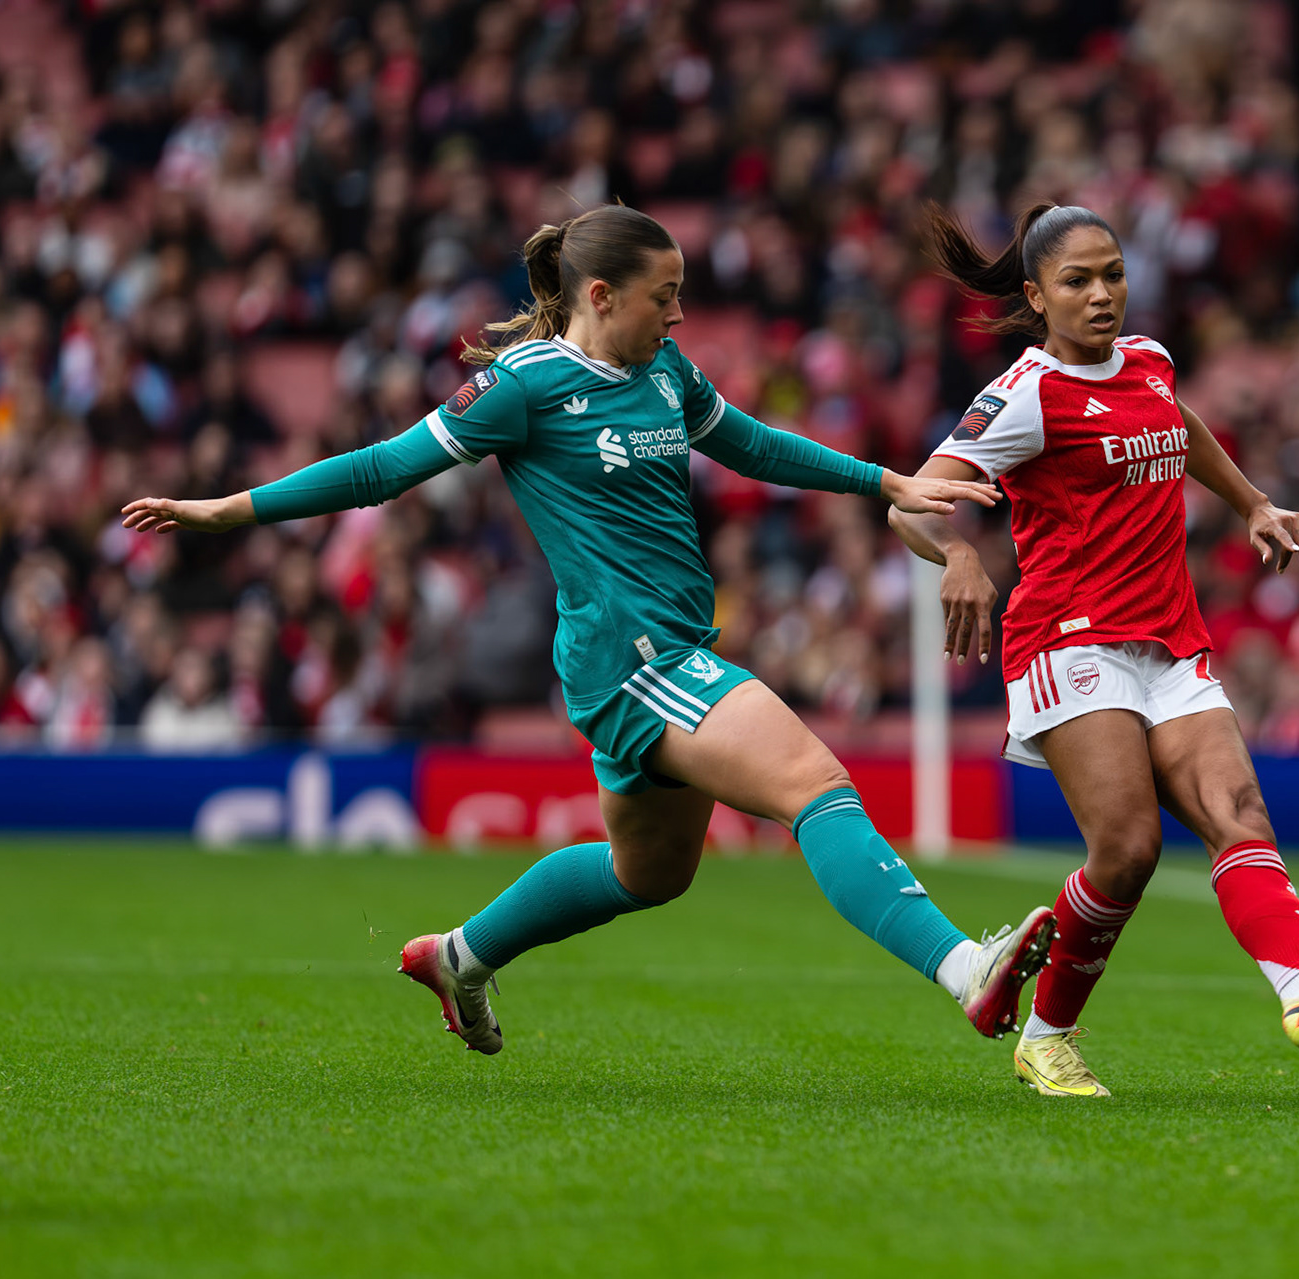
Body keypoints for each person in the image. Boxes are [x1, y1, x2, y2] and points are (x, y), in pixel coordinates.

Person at [122, 203, 1056, 1055]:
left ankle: (459, 955)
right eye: (666, 296)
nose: (679, 316)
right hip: (630, 659)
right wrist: (228, 513)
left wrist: (883, 482)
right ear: (602, 295)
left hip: (670, 649)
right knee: (814, 783)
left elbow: (753, 445)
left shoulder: (663, 371)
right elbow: (381, 469)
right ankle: (965, 971)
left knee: (648, 874)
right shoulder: (522, 386)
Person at [889, 203, 1299, 1098]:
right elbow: (912, 498)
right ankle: (1047, 1036)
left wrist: (1253, 501)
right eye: (1077, 281)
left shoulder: (1147, 361)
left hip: (1169, 637)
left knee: (1237, 808)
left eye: (1113, 275)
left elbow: (1178, 430)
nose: (1102, 295)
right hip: (1070, 636)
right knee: (1129, 848)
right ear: (1036, 295)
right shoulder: (1024, 395)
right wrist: (956, 555)